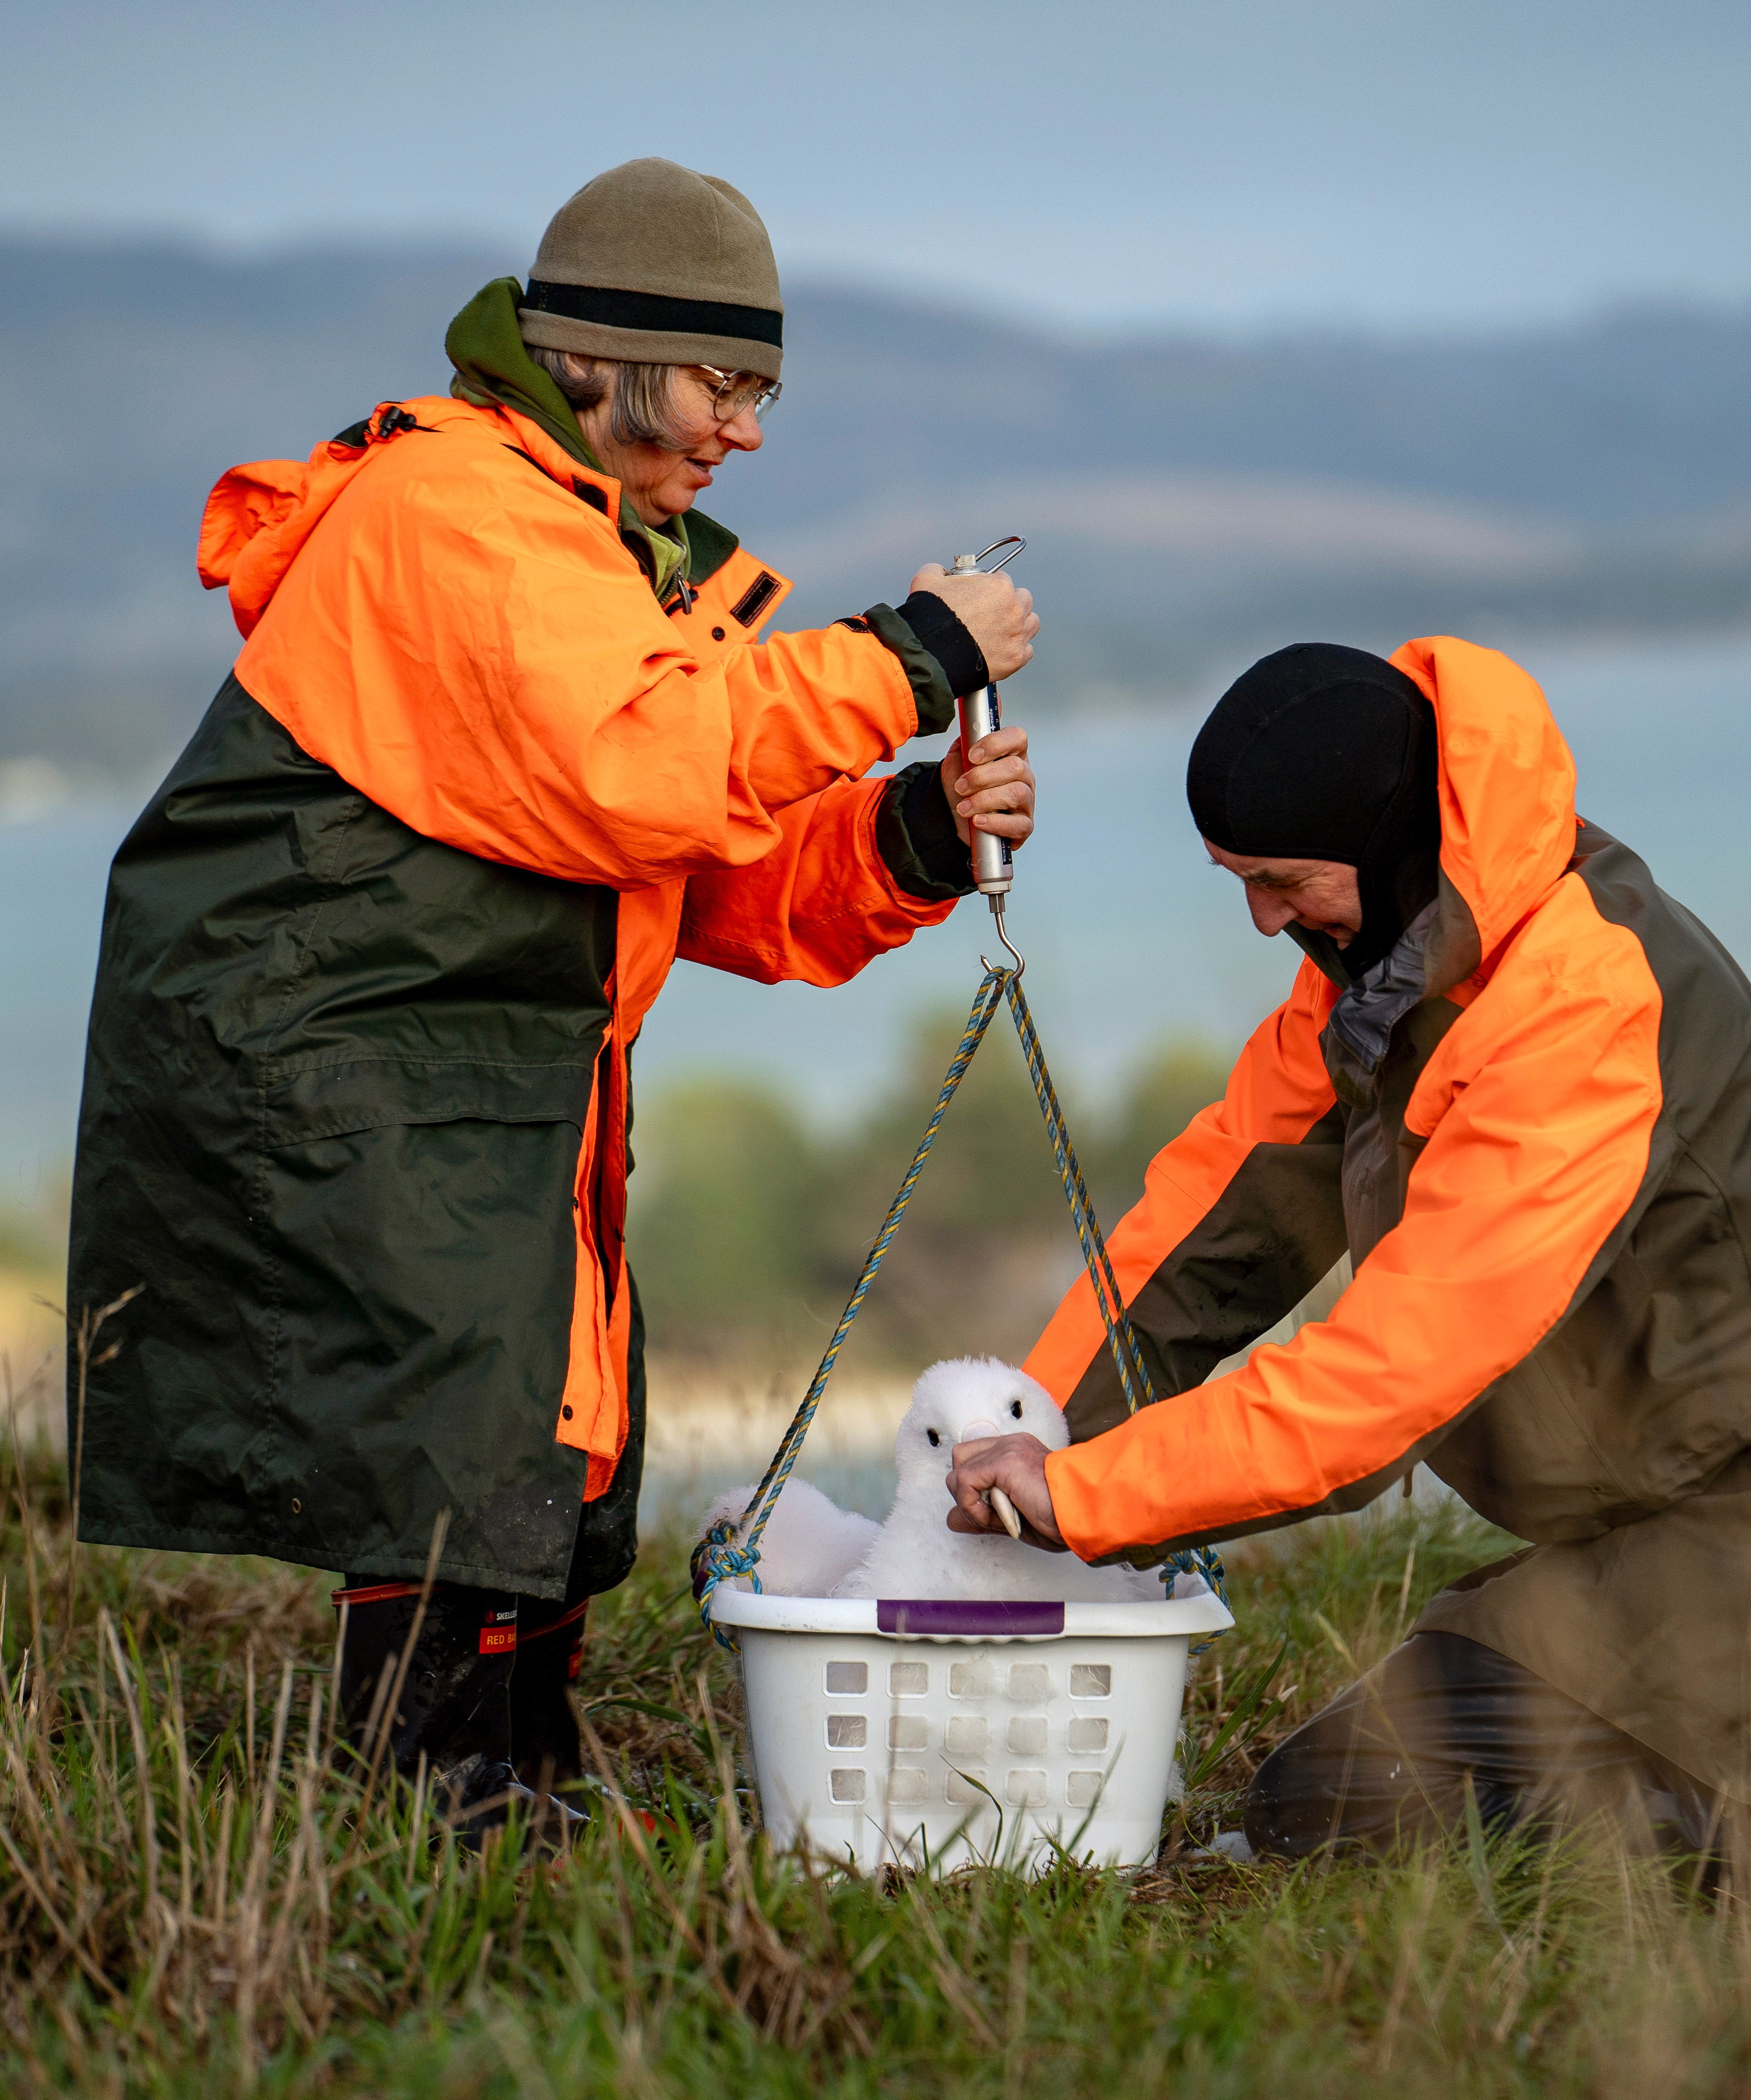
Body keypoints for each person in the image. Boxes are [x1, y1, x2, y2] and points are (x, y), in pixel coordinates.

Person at [65, 159, 1037, 1821]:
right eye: (725, 385)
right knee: (470, 1415)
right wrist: (910, 656)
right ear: (597, 357)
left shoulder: (597, 549)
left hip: (476, 1048)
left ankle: (519, 1773)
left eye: (763, 394)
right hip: (332, 1042)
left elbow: (700, 856)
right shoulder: (463, 518)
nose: (744, 431)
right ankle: (439, 1799)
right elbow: (645, 768)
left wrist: (914, 838)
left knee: (557, 1424)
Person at [940, 638, 1751, 1905]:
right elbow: (1203, 1237)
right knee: (1346, 1796)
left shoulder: (1579, 1008)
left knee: (1341, 1804)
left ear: (1387, 837)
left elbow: (1380, 1390)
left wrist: (1082, 1495)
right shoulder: (1386, 973)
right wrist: (1006, 1438)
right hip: (1665, 1517)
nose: (1261, 916)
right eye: (1236, 881)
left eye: (1281, 879)